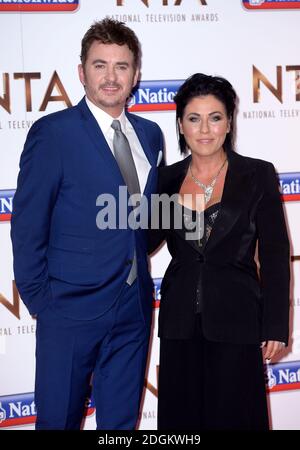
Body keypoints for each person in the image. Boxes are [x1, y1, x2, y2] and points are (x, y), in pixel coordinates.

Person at [11, 19, 164, 430]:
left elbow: (141, 219)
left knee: (120, 425)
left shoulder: (151, 135)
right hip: (69, 311)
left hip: (134, 309)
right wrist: (45, 303)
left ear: (136, 75)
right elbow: (27, 226)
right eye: (100, 65)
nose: (111, 77)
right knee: (59, 421)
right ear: (81, 72)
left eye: (121, 66)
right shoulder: (53, 134)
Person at [149, 73, 290, 430]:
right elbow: (145, 241)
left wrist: (275, 324)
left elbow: (274, 254)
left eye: (215, 117)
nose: (205, 129)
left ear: (229, 122)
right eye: (194, 118)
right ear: (181, 125)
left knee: (236, 418)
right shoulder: (165, 180)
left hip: (238, 320)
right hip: (180, 323)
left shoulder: (257, 174)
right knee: (182, 422)